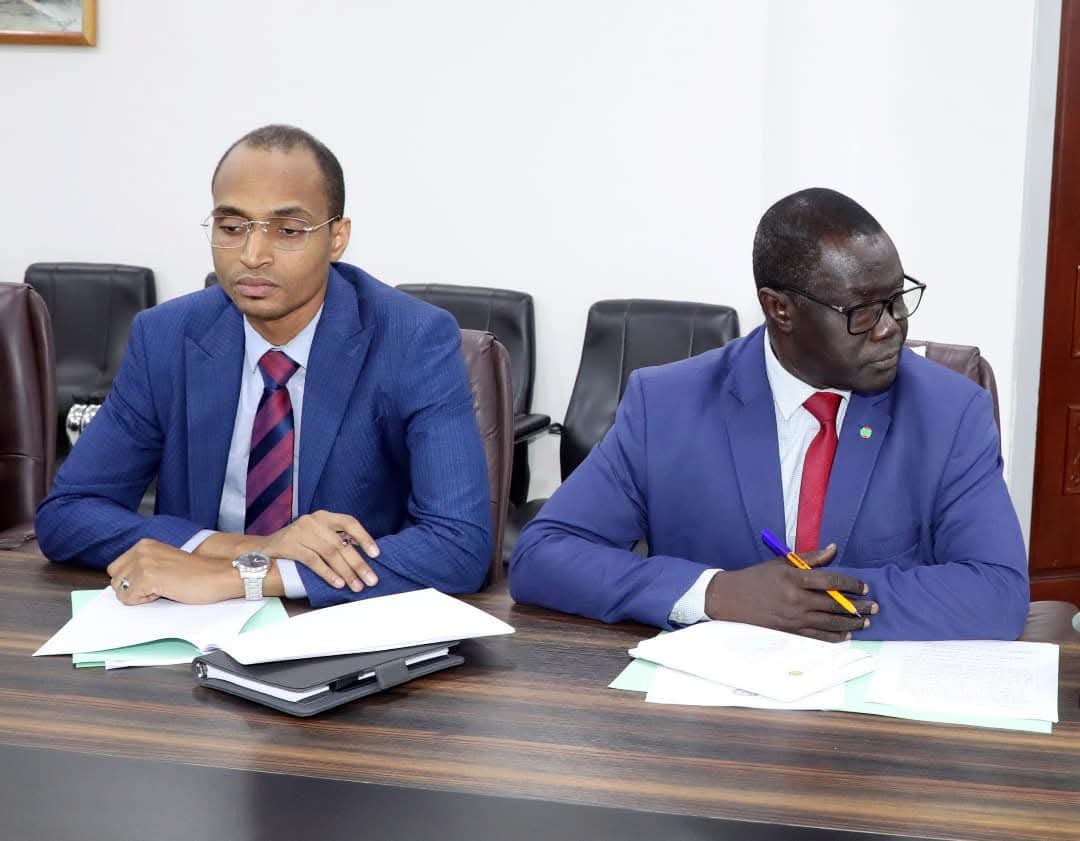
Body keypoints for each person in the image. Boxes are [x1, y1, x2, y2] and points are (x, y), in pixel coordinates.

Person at [509, 188, 1028, 641]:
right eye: (863, 310)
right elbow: (544, 555)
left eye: (897, 299)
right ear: (780, 309)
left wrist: (810, 604)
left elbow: (998, 591)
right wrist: (716, 594)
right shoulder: (666, 404)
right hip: (708, 710)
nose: (890, 326)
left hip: (871, 709)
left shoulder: (950, 411)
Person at [35, 125, 492, 607]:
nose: (252, 256)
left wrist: (248, 577)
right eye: (232, 228)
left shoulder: (412, 340)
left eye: (288, 231)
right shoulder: (167, 338)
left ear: (337, 238)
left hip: (340, 626)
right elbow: (68, 514)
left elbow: (459, 546)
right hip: (191, 627)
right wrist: (246, 550)